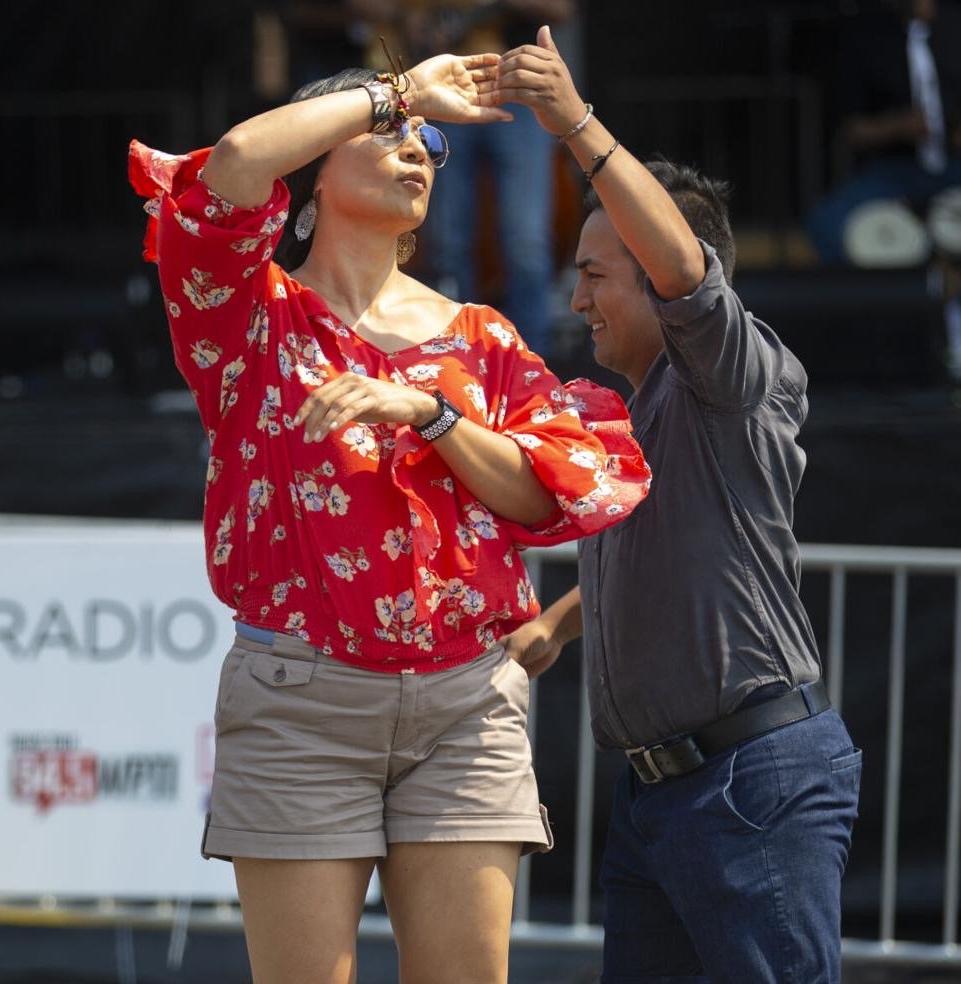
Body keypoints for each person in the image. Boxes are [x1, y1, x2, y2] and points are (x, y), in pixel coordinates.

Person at [128, 42, 650, 984]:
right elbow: (237, 163)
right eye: (388, 134)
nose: (418, 150)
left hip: (467, 702)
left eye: (429, 145)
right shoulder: (251, 314)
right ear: (314, 174)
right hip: (301, 706)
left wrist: (436, 413)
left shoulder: (480, 337)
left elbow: (546, 494)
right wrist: (402, 89)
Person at [491, 27, 862, 983]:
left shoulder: (732, 372)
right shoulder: (632, 407)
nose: (575, 300)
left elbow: (688, 275)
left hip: (748, 788)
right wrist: (560, 627)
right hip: (663, 799)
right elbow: (674, 555)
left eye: (595, 274)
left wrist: (573, 125)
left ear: (661, 273)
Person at [416, 0, 577, 358]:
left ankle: (532, 365)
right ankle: (454, 357)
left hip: (518, 88)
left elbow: (561, 9)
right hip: (451, 85)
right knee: (448, 239)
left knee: (526, 239)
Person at [806, 0, 961, 265]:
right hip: (894, 171)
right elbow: (850, 130)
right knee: (826, 222)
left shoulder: (955, 26)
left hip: (955, 165)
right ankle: (880, 300)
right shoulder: (864, 38)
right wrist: (896, 127)